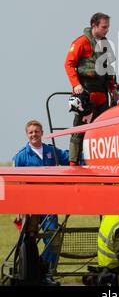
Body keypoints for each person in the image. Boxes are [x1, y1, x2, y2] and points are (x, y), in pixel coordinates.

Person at [13, 120, 69, 286]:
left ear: (42, 132)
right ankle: (26, 271)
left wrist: (85, 157)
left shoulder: (51, 151)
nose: (34, 135)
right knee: (27, 240)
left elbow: (68, 158)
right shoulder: (21, 156)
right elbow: (16, 185)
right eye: (30, 132)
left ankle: (45, 271)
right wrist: (19, 208)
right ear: (27, 135)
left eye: (36, 131)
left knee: (53, 237)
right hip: (29, 206)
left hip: (49, 204)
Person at [65, 12, 118, 165]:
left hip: (102, 94)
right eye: (104, 27)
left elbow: (109, 69)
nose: (107, 30)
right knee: (79, 129)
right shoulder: (81, 42)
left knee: (104, 129)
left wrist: (112, 89)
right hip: (86, 94)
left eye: (107, 27)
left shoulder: (106, 44)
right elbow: (68, 64)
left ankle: (102, 163)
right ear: (94, 25)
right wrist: (76, 85)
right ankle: (73, 164)